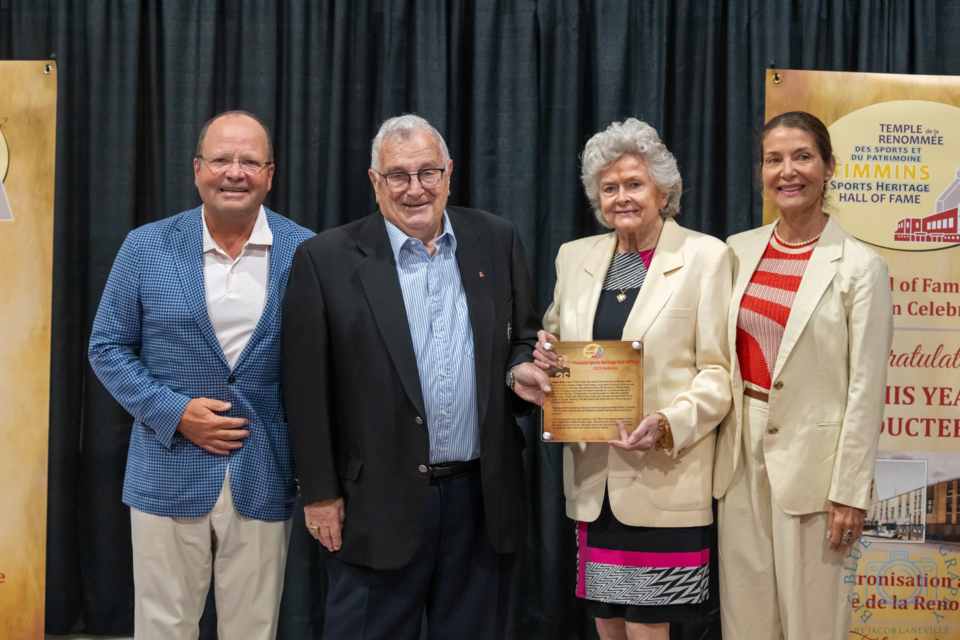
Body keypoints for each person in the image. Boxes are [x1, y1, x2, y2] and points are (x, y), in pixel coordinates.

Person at [282, 114, 550, 640]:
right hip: (374, 503)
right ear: (374, 181)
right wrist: (318, 494)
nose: (414, 189)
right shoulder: (326, 258)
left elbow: (524, 334)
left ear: (449, 173)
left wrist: (521, 369)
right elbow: (305, 388)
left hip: (481, 500)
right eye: (397, 176)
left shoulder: (495, 239)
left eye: (428, 173)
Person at [88, 111, 313, 639]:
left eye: (250, 161)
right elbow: (106, 347)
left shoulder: (307, 251)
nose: (235, 172)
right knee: (163, 627)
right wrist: (176, 413)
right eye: (221, 159)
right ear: (197, 170)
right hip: (166, 471)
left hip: (266, 472)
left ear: (270, 174)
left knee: (253, 629)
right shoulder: (145, 247)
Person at [534, 118, 733, 640]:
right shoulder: (574, 257)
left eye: (634, 184)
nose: (621, 197)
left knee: (649, 628)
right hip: (594, 482)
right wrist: (543, 359)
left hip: (664, 476)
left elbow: (719, 373)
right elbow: (558, 344)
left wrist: (669, 422)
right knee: (609, 625)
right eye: (609, 187)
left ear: (663, 189)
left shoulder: (706, 257)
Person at [713, 110, 894, 639]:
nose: (787, 171)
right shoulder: (735, 250)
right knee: (745, 621)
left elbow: (866, 391)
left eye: (802, 157)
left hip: (817, 475)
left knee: (812, 624)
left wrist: (850, 491)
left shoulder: (861, 267)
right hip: (738, 460)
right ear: (761, 172)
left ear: (829, 167)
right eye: (774, 159)